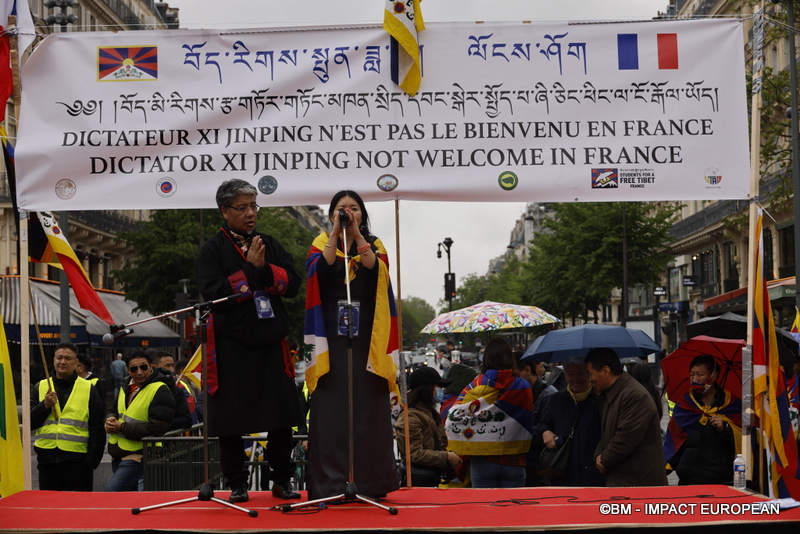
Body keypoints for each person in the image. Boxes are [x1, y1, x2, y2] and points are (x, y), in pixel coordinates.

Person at [197, 179, 303, 503]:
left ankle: (282, 479)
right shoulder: (212, 249)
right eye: (242, 208)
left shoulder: (267, 242)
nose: (250, 213)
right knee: (231, 420)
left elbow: (294, 282)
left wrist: (265, 268)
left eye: (253, 206)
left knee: (281, 417)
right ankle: (237, 482)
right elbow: (213, 294)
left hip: (270, 343)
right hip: (232, 347)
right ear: (224, 211)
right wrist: (249, 269)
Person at [304, 190, 400, 499]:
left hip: (367, 339)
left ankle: (372, 482)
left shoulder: (374, 243)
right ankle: (330, 482)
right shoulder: (321, 242)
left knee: (368, 411)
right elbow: (323, 268)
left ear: (363, 214)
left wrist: (356, 234)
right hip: (331, 337)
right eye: (342, 209)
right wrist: (335, 232)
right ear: (332, 213)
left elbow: (376, 271)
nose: (348, 213)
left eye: (354, 209)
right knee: (331, 412)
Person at [445, 338, 533, 488]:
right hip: (515, 461)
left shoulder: (476, 385)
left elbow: (453, 416)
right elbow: (527, 417)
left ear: (486, 358)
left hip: (483, 461)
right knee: (514, 510)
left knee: (485, 507)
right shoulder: (523, 387)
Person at [585, 348, 667, 487]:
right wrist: (598, 455)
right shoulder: (609, 394)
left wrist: (603, 460)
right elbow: (605, 433)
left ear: (605, 371)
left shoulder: (634, 396)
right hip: (624, 478)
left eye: (590, 374)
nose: (589, 379)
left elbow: (625, 439)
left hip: (639, 483)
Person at [30, 342, 105, 491]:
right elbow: (29, 423)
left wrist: (91, 462)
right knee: (49, 510)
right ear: (53, 360)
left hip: (78, 462)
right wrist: (44, 406)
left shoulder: (88, 388)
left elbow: (98, 427)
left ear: (76, 363)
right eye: (59, 357)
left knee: (77, 510)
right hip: (47, 462)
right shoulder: (40, 387)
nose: (63, 362)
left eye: (68, 358)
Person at [663, 355, 741, 485]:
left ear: (713, 375)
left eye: (700, 374)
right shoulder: (685, 404)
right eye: (692, 375)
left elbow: (743, 442)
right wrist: (674, 466)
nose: (695, 379)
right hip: (688, 481)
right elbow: (674, 440)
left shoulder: (731, 404)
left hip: (720, 481)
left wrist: (725, 429)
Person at [105, 350, 176, 491]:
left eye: (143, 367)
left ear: (151, 366)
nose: (139, 372)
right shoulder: (126, 385)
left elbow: (158, 428)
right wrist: (109, 419)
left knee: (110, 493)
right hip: (119, 454)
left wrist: (122, 427)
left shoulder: (160, 389)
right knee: (128, 501)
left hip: (140, 455)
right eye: (134, 368)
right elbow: (113, 408)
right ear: (128, 370)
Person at [537, 360, 605, 487]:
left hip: (594, 473)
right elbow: (543, 423)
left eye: (580, 373)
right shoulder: (556, 399)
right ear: (565, 375)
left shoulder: (601, 399)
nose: (575, 379)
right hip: (564, 473)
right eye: (570, 374)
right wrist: (545, 431)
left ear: (588, 374)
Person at [395, 367, 462, 487]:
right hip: (417, 483)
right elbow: (414, 454)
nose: (441, 390)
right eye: (438, 387)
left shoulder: (430, 412)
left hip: (432, 479)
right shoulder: (410, 416)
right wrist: (446, 456)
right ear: (426, 388)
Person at [515, 352, 557, 486]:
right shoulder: (515, 393)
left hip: (539, 463)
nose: (512, 380)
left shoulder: (548, 394)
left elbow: (546, 429)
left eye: (515, 375)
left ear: (527, 370)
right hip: (521, 461)